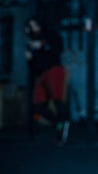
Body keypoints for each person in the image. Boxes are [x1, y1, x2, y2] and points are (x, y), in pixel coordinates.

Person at [25, 16, 70, 146]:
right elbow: (33, 64)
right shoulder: (31, 41)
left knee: (58, 101)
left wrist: (43, 46)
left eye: (35, 25)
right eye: (32, 26)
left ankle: (62, 132)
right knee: (36, 105)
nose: (34, 28)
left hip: (53, 70)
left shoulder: (51, 35)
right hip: (41, 74)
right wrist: (30, 58)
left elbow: (57, 50)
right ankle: (59, 124)